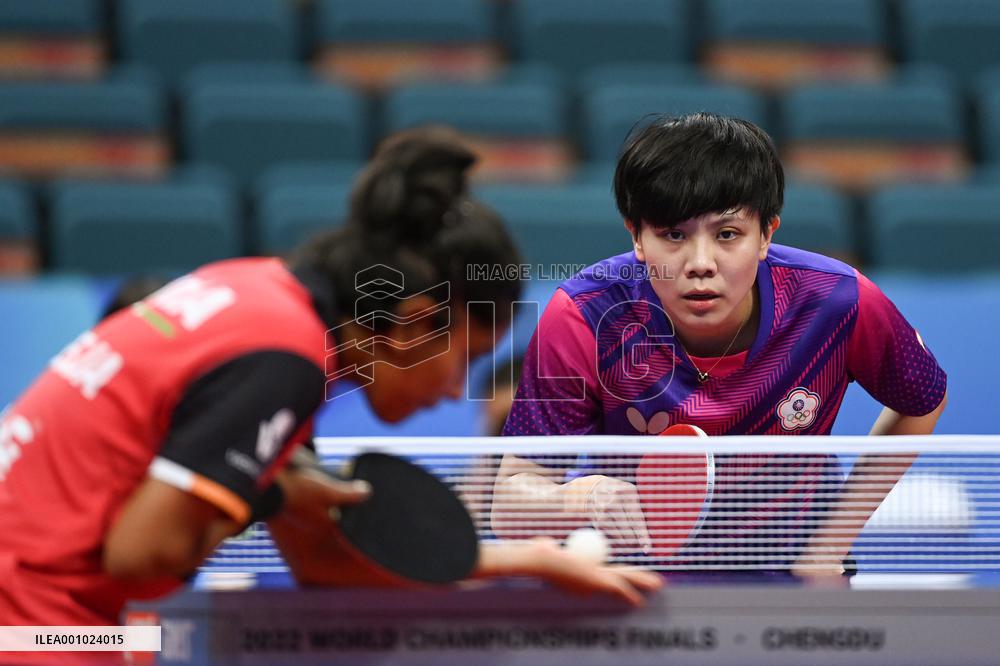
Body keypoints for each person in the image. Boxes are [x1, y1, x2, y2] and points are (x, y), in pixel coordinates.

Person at [0, 128, 661, 648]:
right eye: (466, 356)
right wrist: (272, 492)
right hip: (35, 624)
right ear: (411, 323)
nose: (454, 390)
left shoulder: (257, 294)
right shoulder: (281, 354)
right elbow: (142, 554)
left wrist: (531, 560)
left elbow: (321, 561)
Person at [493, 113, 948, 576]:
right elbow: (509, 505)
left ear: (767, 233)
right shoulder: (585, 315)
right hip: (637, 580)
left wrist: (829, 546)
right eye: (673, 234)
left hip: (792, 576)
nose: (701, 263)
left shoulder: (836, 301)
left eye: (727, 234)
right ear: (636, 236)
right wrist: (579, 496)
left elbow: (923, 399)